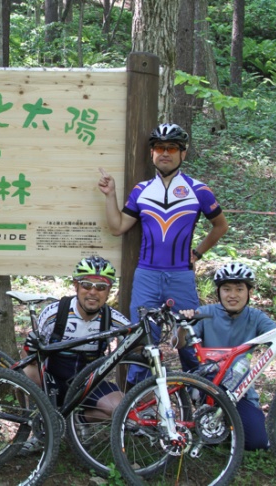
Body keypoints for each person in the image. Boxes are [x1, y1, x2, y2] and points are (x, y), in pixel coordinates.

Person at [97, 123, 228, 371]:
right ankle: (140, 405)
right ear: (152, 153)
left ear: (183, 153)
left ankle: (200, 396)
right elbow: (117, 227)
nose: (165, 153)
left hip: (181, 276)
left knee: (190, 340)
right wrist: (110, 195)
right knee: (143, 343)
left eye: (171, 148)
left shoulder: (199, 190)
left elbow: (220, 226)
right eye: (159, 147)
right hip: (146, 275)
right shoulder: (141, 190)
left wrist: (197, 253)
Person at [175, 262, 276, 451]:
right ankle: (214, 421)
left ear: (249, 293)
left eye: (239, 289)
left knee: (256, 442)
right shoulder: (205, 313)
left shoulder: (256, 317)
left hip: (240, 390)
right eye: (227, 289)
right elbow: (178, 344)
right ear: (218, 293)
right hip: (210, 385)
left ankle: (228, 426)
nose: (233, 295)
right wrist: (183, 325)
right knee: (211, 381)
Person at [21, 256, 131, 452]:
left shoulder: (114, 319)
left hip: (87, 382)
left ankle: (77, 422)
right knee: (27, 370)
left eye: (100, 287)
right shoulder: (55, 313)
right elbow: (30, 356)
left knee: (121, 408)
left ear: (108, 291)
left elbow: (137, 349)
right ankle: (38, 427)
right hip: (53, 379)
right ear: (75, 286)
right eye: (86, 284)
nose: (92, 292)